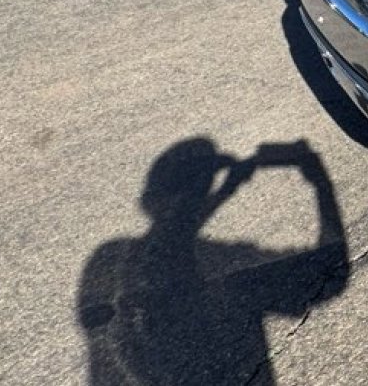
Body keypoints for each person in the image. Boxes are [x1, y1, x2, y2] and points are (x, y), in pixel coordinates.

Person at [77, 138, 348, 385]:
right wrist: (320, 182)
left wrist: (226, 189)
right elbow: (332, 273)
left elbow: (175, 232)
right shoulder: (228, 271)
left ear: (151, 196)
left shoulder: (119, 257)